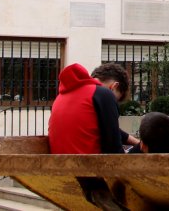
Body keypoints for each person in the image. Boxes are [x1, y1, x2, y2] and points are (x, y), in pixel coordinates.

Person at [47, 62, 139, 210]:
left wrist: (133, 141)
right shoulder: (104, 94)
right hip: (93, 169)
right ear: (114, 86)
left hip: (63, 167)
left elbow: (101, 127)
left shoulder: (63, 95)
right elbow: (114, 150)